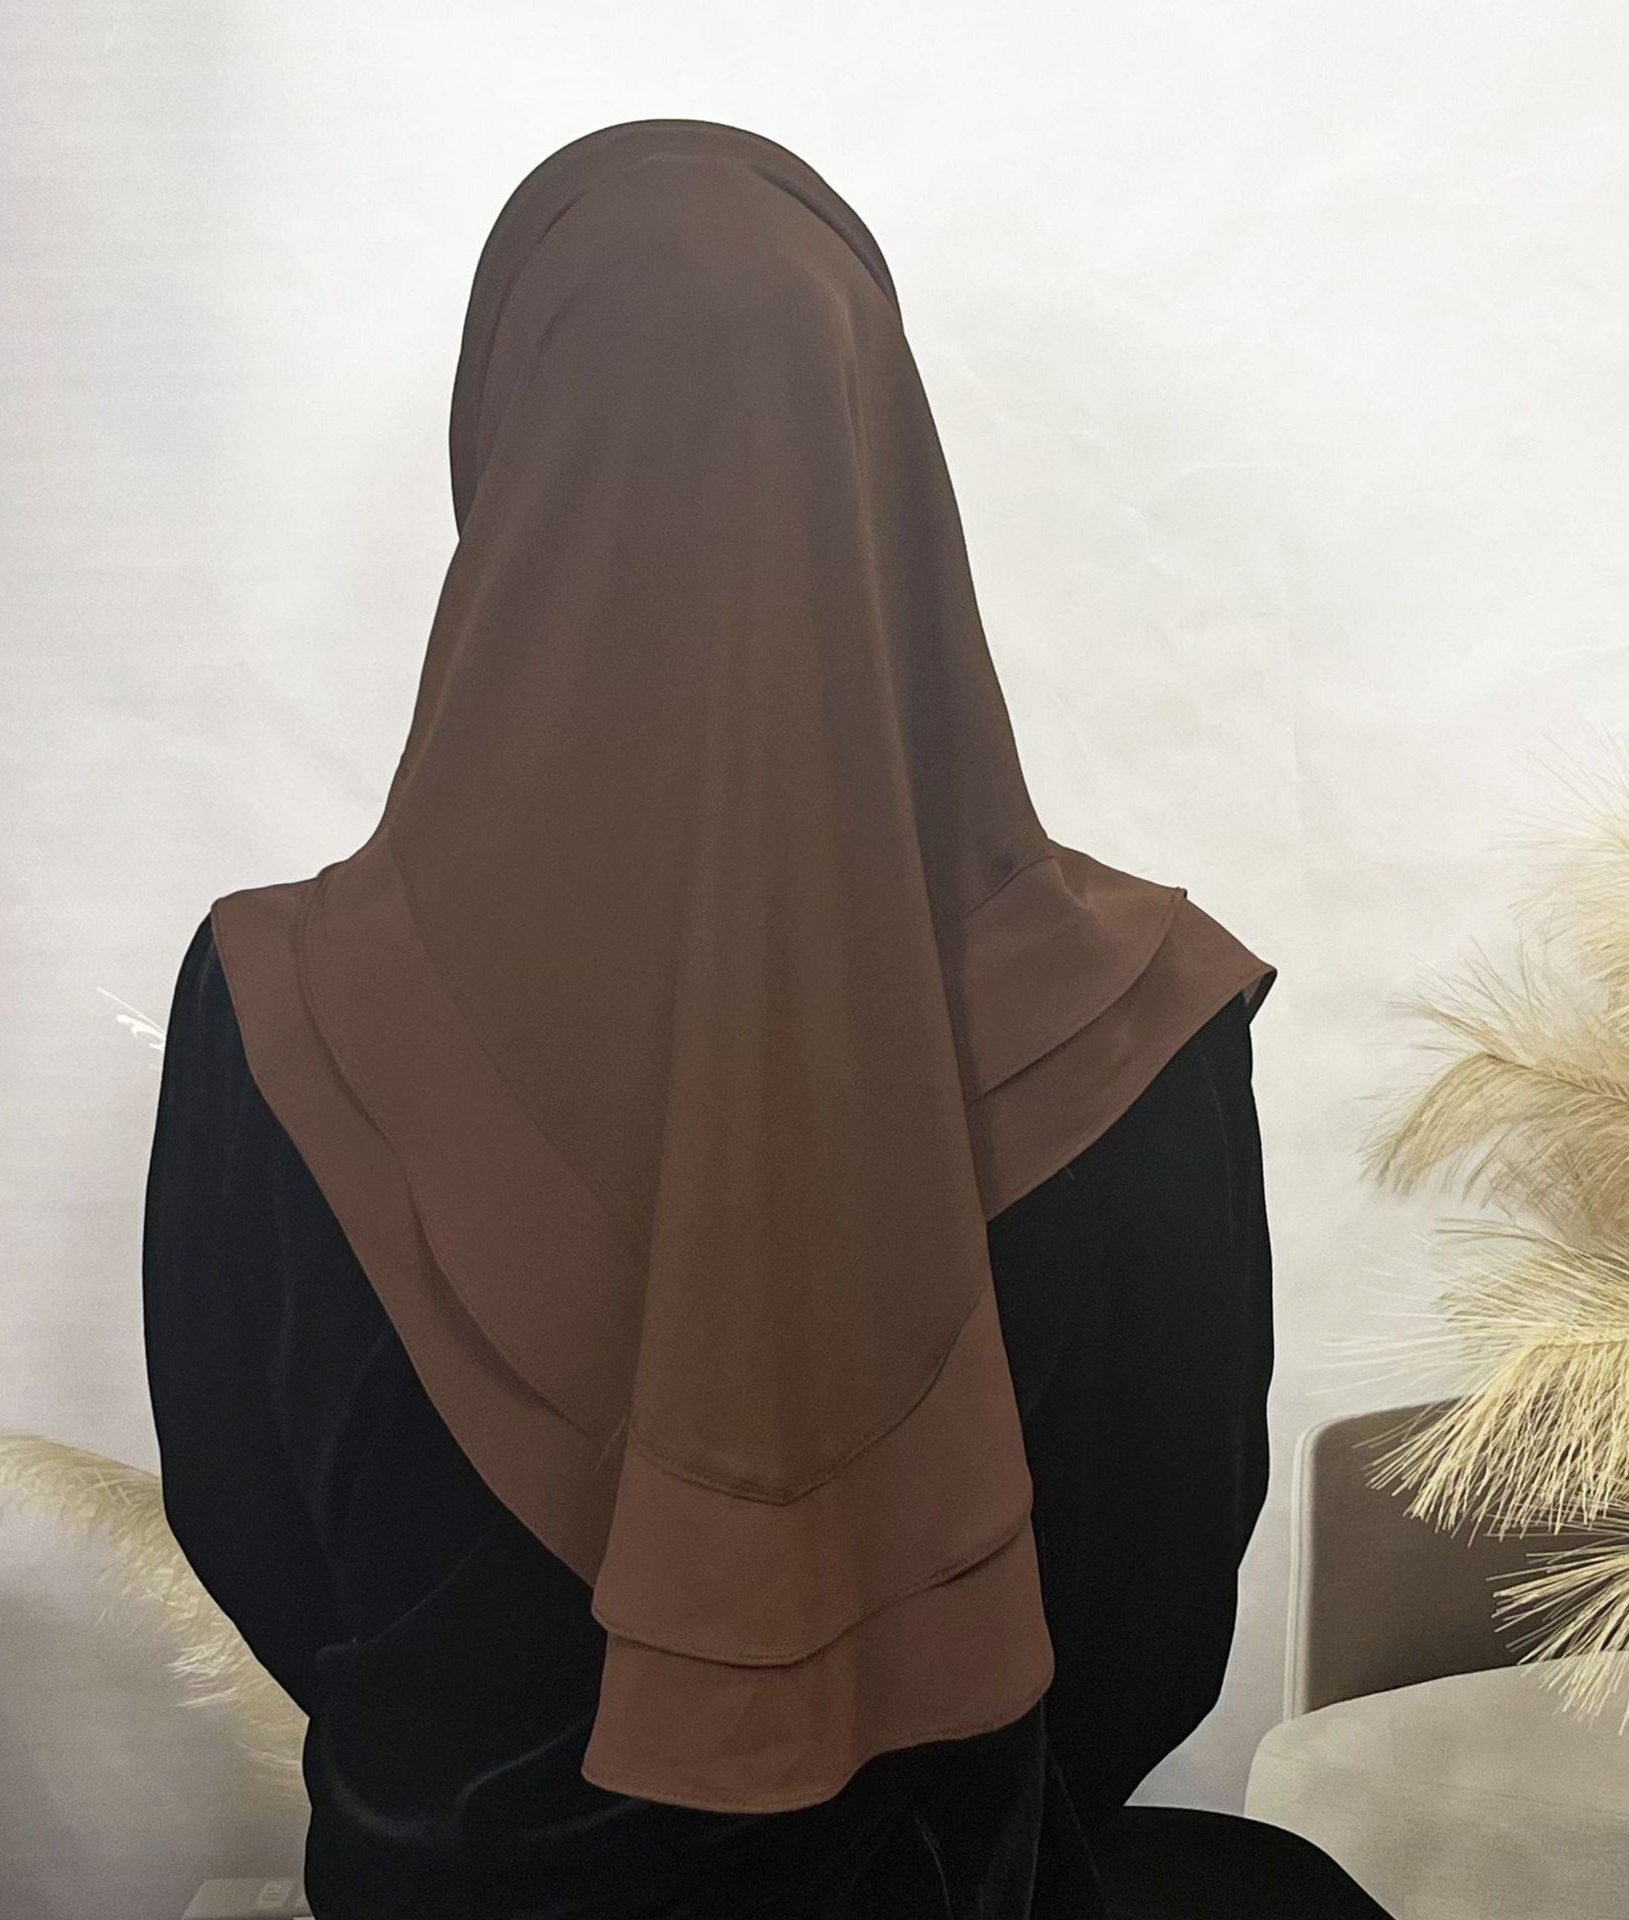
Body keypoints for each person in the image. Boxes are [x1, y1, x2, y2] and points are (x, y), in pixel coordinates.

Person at [142, 120, 1391, 1919]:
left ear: (506, 449)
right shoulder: (1136, 1030)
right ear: (884, 463)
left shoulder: (273, 1013)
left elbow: (255, 1538)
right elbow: (1151, 1627)